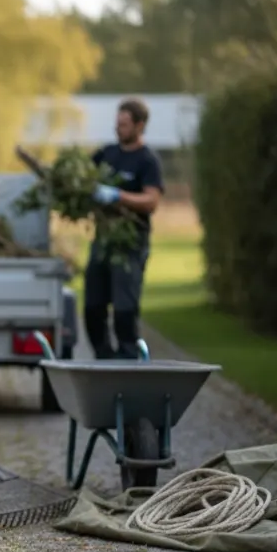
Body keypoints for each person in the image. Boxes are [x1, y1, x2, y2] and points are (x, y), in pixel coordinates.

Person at [85, 98, 164, 360]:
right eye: (117, 124)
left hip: (131, 244)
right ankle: (104, 359)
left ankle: (128, 360)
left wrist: (118, 196)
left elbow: (151, 200)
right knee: (93, 307)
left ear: (140, 126)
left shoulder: (147, 160)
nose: (118, 128)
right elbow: (83, 179)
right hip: (103, 240)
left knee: (124, 309)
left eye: (124, 124)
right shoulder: (106, 154)